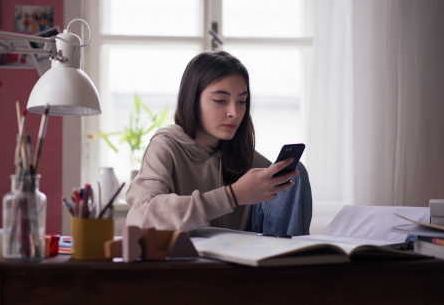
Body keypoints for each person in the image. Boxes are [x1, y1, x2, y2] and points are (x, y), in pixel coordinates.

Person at [125, 50, 312, 235]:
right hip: (193, 259)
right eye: (220, 100)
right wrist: (232, 196)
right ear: (192, 100)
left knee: (294, 173)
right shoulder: (166, 147)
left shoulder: (245, 156)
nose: (235, 113)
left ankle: (292, 263)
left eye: (242, 101)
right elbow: (141, 218)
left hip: (246, 256)